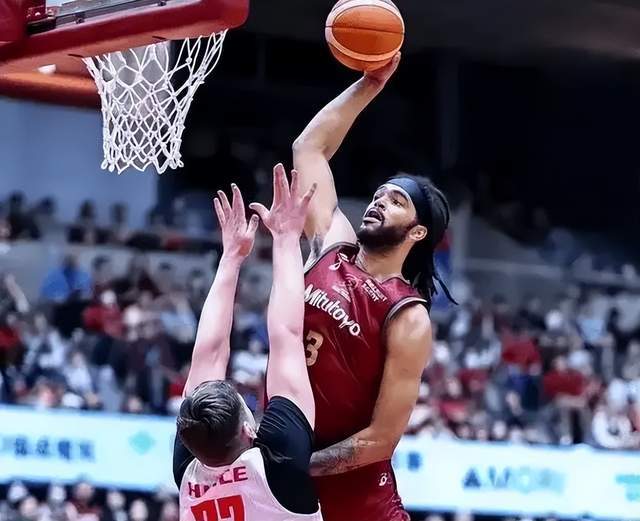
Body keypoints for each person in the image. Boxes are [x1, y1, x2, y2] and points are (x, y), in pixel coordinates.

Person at [291, 52, 455, 521]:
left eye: (397, 201)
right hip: (291, 489)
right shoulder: (331, 247)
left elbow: (381, 440)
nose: (379, 202)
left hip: (360, 505)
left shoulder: (408, 315)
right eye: (379, 194)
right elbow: (309, 149)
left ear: (417, 232)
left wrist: (296, 466)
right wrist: (370, 85)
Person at [173, 169, 322, 520]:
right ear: (247, 430)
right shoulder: (277, 468)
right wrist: (282, 239)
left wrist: (242, 253)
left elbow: (211, 354)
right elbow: (284, 337)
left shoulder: (191, 470)